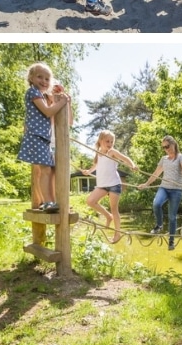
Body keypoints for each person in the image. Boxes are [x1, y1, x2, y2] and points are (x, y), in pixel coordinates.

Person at [17, 62, 71, 213]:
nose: (44, 81)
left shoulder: (40, 94)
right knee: (45, 170)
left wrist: (58, 96)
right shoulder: (33, 92)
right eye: (40, 77)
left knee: (48, 170)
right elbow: (48, 112)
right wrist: (63, 102)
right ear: (31, 78)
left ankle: (51, 201)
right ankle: (48, 202)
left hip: (42, 137)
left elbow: (51, 104)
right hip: (36, 135)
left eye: (47, 79)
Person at [81, 130, 137, 244]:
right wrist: (89, 171)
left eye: (112, 141)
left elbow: (125, 158)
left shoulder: (112, 152)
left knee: (114, 209)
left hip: (114, 185)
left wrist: (132, 165)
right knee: (90, 201)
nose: (110, 143)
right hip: (102, 185)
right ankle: (108, 216)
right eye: (107, 141)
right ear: (100, 141)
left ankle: (117, 234)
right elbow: (96, 165)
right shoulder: (98, 153)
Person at [138, 135, 182, 251]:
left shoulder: (181, 157)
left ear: (173, 144)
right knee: (156, 204)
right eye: (164, 147)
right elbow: (156, 173)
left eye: (167, 146)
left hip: (176, 190)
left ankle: (171, 241)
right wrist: (146, 184)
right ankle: (159, 225)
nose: (166, 149)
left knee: (172, 217)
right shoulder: (164, 159)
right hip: (164, 188)